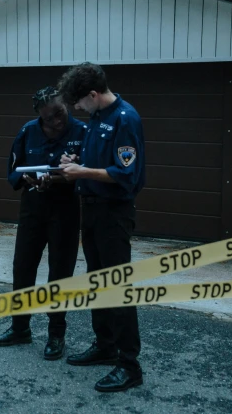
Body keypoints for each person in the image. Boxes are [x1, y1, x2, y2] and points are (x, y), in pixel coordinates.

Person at [58, 62, 146, 393]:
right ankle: (105, 345)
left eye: (79, 103)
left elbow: (125, 175)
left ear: (93, 95)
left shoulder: (125, 119)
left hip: (113, 213)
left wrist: (83, 173)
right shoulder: (96, 118)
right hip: (91, 210)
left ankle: (129, 365)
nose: (77, 110)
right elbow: (95, 162)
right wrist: (73, 164)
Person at [0, 86, 86, 361]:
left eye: (60, 113)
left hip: (65, 209)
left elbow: (91, 173)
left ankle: (56, 335)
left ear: (66, 106)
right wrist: (27, 179)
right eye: (49, 118)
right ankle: (20, 327)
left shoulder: (82, 132)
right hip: (33, 207)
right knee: (23, 268)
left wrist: (61, 177)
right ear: (40, 118)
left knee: (60, 272)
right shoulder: (27, 132)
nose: (57, 121)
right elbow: (13, 169)